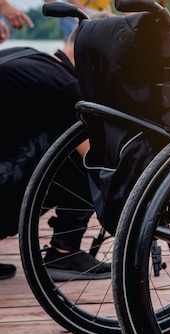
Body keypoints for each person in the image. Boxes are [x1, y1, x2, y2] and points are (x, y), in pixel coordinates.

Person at [0, 25, 111, 280]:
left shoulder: (24, 56)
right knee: (86, 157)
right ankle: (64, 252)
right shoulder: (64, 85)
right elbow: (96, 159)